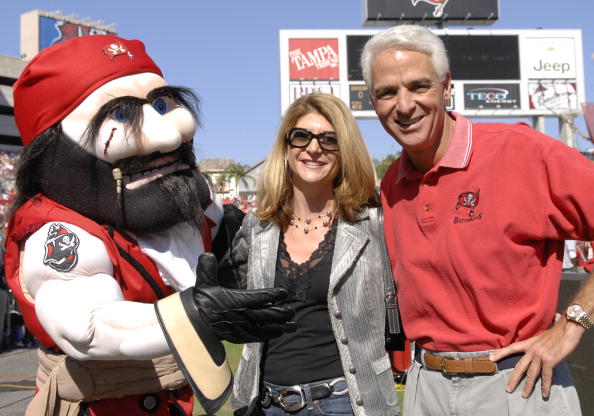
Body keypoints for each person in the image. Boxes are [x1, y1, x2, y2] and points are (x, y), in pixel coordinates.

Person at [6, 34, 294, 416]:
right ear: (57, 151)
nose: (169, 134)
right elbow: (86, 327)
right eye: (123, 115)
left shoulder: (186, 208)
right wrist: (195, 313)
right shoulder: (62, 232)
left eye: (162, 104)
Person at [361, 25, 594, 415]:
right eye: (387, 92)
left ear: (446, 86)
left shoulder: (522, 152)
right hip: (425, 386)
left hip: (517, 383)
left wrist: (574, 324)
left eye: (419, 86)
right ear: (373, 101)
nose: (404, 105)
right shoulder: (392, 184)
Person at [226, 93, 400, 416]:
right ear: (287, 146)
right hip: (266, 404)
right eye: (302, 136)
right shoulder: (255, 227)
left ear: (344, 150)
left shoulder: (373, 225)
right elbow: (232, 311)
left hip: (346, 403)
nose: (314, 148)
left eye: (329, 140)